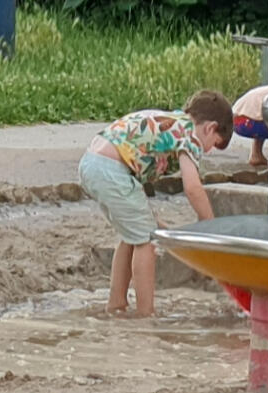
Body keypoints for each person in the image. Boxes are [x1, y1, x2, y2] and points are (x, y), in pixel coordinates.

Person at [77, 93, 233, 318]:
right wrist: (211, 224)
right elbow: (192, 187)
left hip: (92, 164)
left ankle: (116, 304)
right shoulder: (190, 136)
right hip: (111, 169)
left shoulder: (172, 121)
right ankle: (146, 314)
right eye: (214, 144)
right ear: (210, 128)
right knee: (146, 240)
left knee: (132, 236)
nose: (208, 151)